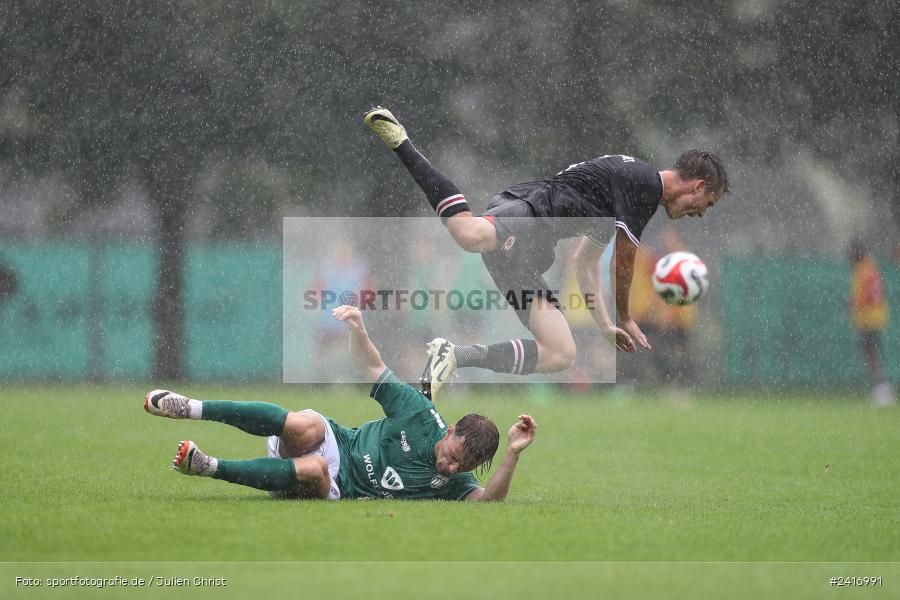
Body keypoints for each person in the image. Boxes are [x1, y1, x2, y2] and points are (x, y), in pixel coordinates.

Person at [364, 107, 728, 397]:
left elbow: (584, 265)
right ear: (697, 186)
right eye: (706, 203)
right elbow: (623, 260)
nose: (700, 212)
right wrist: (627, 316)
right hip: (529, 210)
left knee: (560, 353)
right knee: (468, 234)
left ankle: (455, 356)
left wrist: (605, 325)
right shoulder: (646, 185)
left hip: (529, 249)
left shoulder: (624, 198)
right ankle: (402, 143)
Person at [144, 304, 537, 500]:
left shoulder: (454, 483)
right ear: (449, 431)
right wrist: (359, 330)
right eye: (454, 455)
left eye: (462, 466)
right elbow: (374, 367)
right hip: (340, 442)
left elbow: (488, 503)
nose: (451, 466)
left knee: (315, 468)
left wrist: (514, 453)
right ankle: (190, 407)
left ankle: (209, 467)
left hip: (336, 484)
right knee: (306, 425)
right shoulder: (419, 413)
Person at [848, 240, 894, 406]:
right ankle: (880, 389)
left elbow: (873, 294)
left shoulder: (867, 270)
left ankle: (882, 391)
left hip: (871, 319)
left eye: (852, 254)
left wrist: (857, 303)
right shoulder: (863, 269)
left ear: (858, 254)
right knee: (869, 353)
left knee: (872, 354)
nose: (850, 257)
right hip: (866, 319)